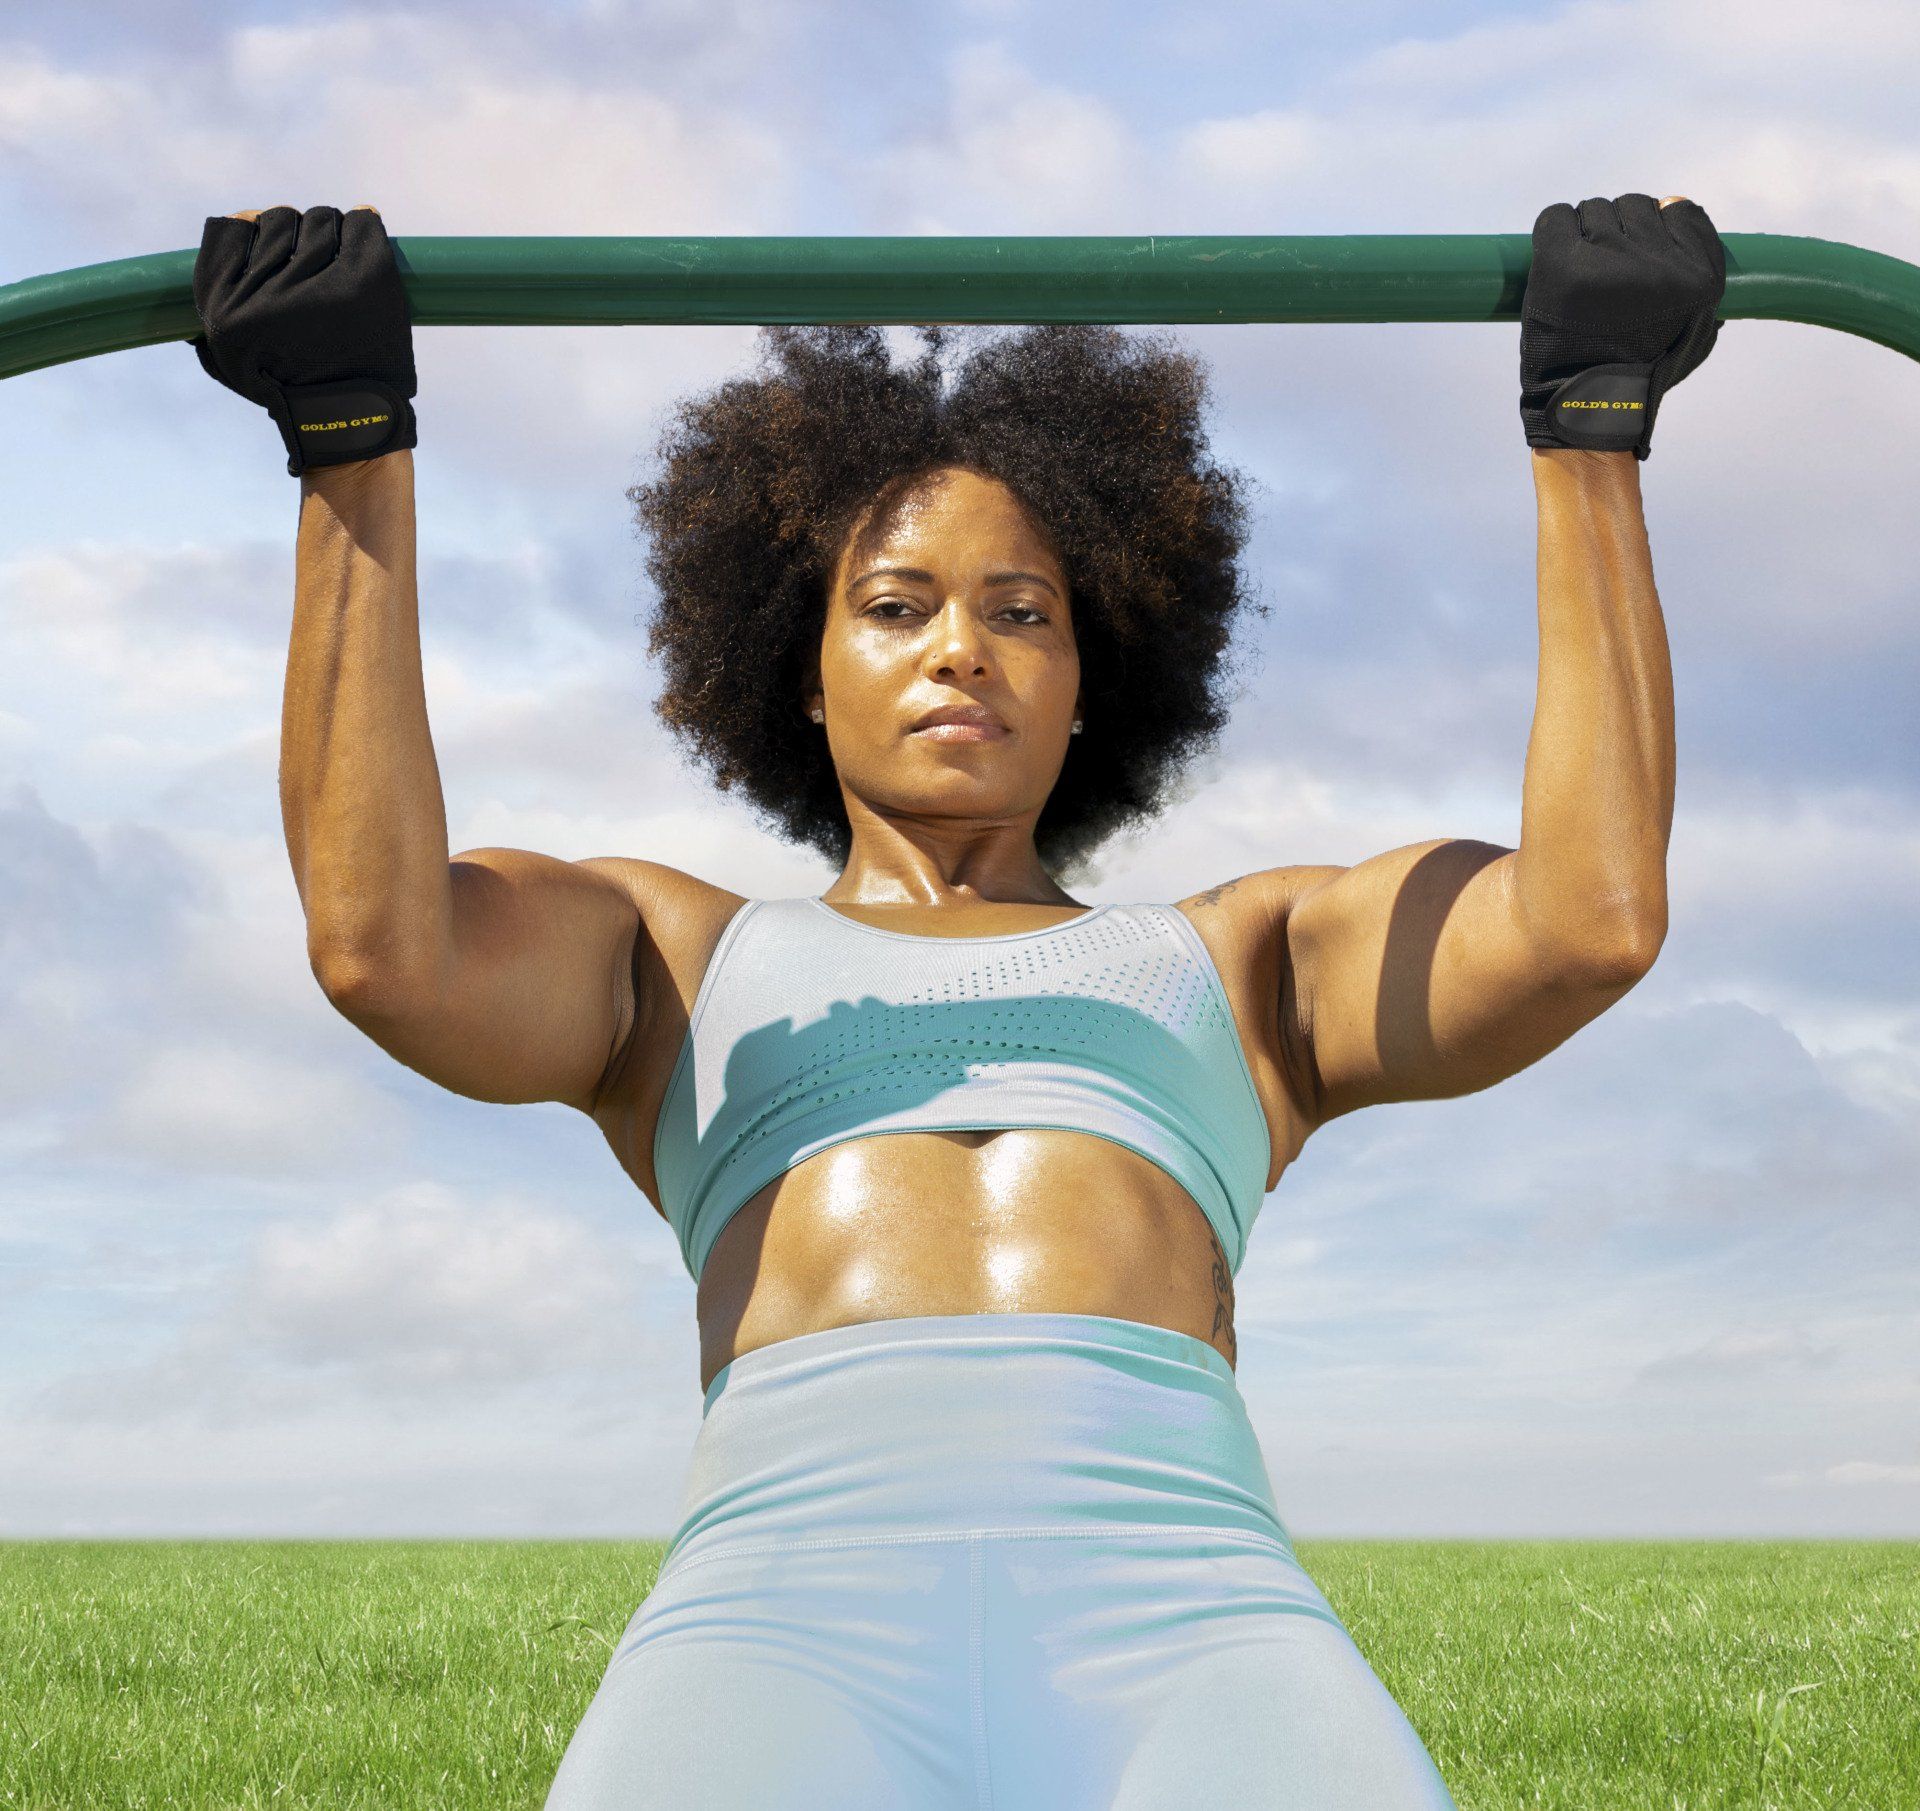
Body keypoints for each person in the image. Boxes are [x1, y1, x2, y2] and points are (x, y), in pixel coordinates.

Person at [191, 193, 1723, 1809]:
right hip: (781, 1616)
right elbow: (382, 948)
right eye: (897, 605)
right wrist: (348, 443)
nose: (961, 652)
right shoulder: (673, 957)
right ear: (806, 667)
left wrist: (1591, 436)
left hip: (1188, 1614)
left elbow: (1588, 922)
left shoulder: (1246, 962)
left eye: (1021, 612)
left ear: (1086, 683)